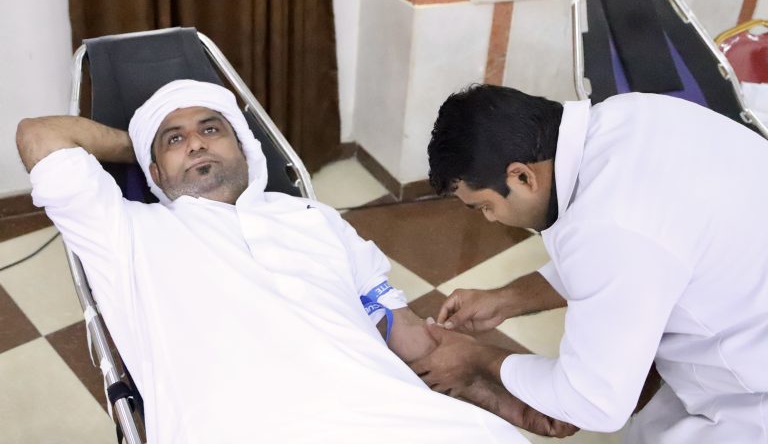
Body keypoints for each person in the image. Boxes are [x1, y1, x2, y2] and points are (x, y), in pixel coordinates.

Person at [15, 80, 575, 443]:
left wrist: (494, 390)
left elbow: (405, 333)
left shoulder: (313, 219)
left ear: (245, 147)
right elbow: (40, 135)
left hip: (388, 417)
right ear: (153, 171)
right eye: (174, 139)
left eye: (211, 129)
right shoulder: (126, 232)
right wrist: (138, 142)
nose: (197, 143)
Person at [416, 84, 768, 443]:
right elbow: (633, 255)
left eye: (485, 206)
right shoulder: (629, 112)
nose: (490, 219)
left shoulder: (610, 226)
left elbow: (594, 402)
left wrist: (476, 359)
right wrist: (507, 298)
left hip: (750, 401)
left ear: (522, 176)